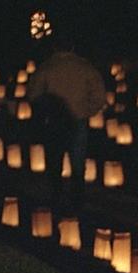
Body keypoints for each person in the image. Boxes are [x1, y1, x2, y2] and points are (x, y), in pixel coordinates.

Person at [28, 38, 106, 213]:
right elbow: (100, 96)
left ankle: (56, 196)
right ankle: (77, 199)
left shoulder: (46, 67)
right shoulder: (85, 67)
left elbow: (33, 94)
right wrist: (86, 110)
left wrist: (46, 110)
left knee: (55, 159)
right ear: (72, 47)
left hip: (54, 120)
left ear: (55, 47)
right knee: (77, 161)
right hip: (77, 119)